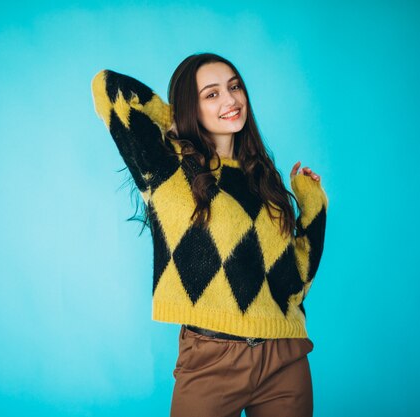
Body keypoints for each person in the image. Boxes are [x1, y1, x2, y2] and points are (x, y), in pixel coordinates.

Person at [91, 52, 328, 417]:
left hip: (285, 355)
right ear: (191, 106)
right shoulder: (168, 169)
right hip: (212, 357)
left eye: (234, 87)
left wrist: (313, 204)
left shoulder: (264, 181)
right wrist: (180, 123)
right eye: (211, 94)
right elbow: (108, 88)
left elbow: (294, 282)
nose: (231, 100)